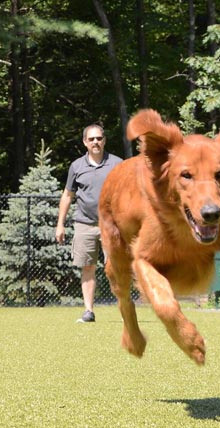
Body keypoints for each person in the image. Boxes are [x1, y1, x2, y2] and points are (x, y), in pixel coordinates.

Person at [56, 124, 123, 322]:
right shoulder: (76, 166)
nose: (96, 142)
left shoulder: (117, 164)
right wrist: (60, 224)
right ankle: (88, 311)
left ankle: (124, 310)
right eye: (92, 139)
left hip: (111, 225)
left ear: (104, 141)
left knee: (115, 267)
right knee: (87, 267)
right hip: (84, 224)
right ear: (85, 142)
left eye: (99, 138)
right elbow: (67, 195)